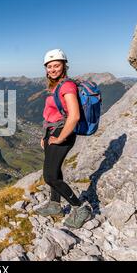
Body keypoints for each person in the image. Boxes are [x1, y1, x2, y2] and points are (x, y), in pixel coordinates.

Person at [36, 49, 91, 229]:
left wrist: (59, 139)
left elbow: (74, 116)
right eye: (49, 66)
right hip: (53, 131)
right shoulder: (56, 85)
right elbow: (53, 114)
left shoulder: (67, 86)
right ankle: (55, 205)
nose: (52, 69)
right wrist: (46, 136)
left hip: (62, 133)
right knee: (55, 170)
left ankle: (80, 208)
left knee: (50, 176)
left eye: (56, 65)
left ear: (64, 66)